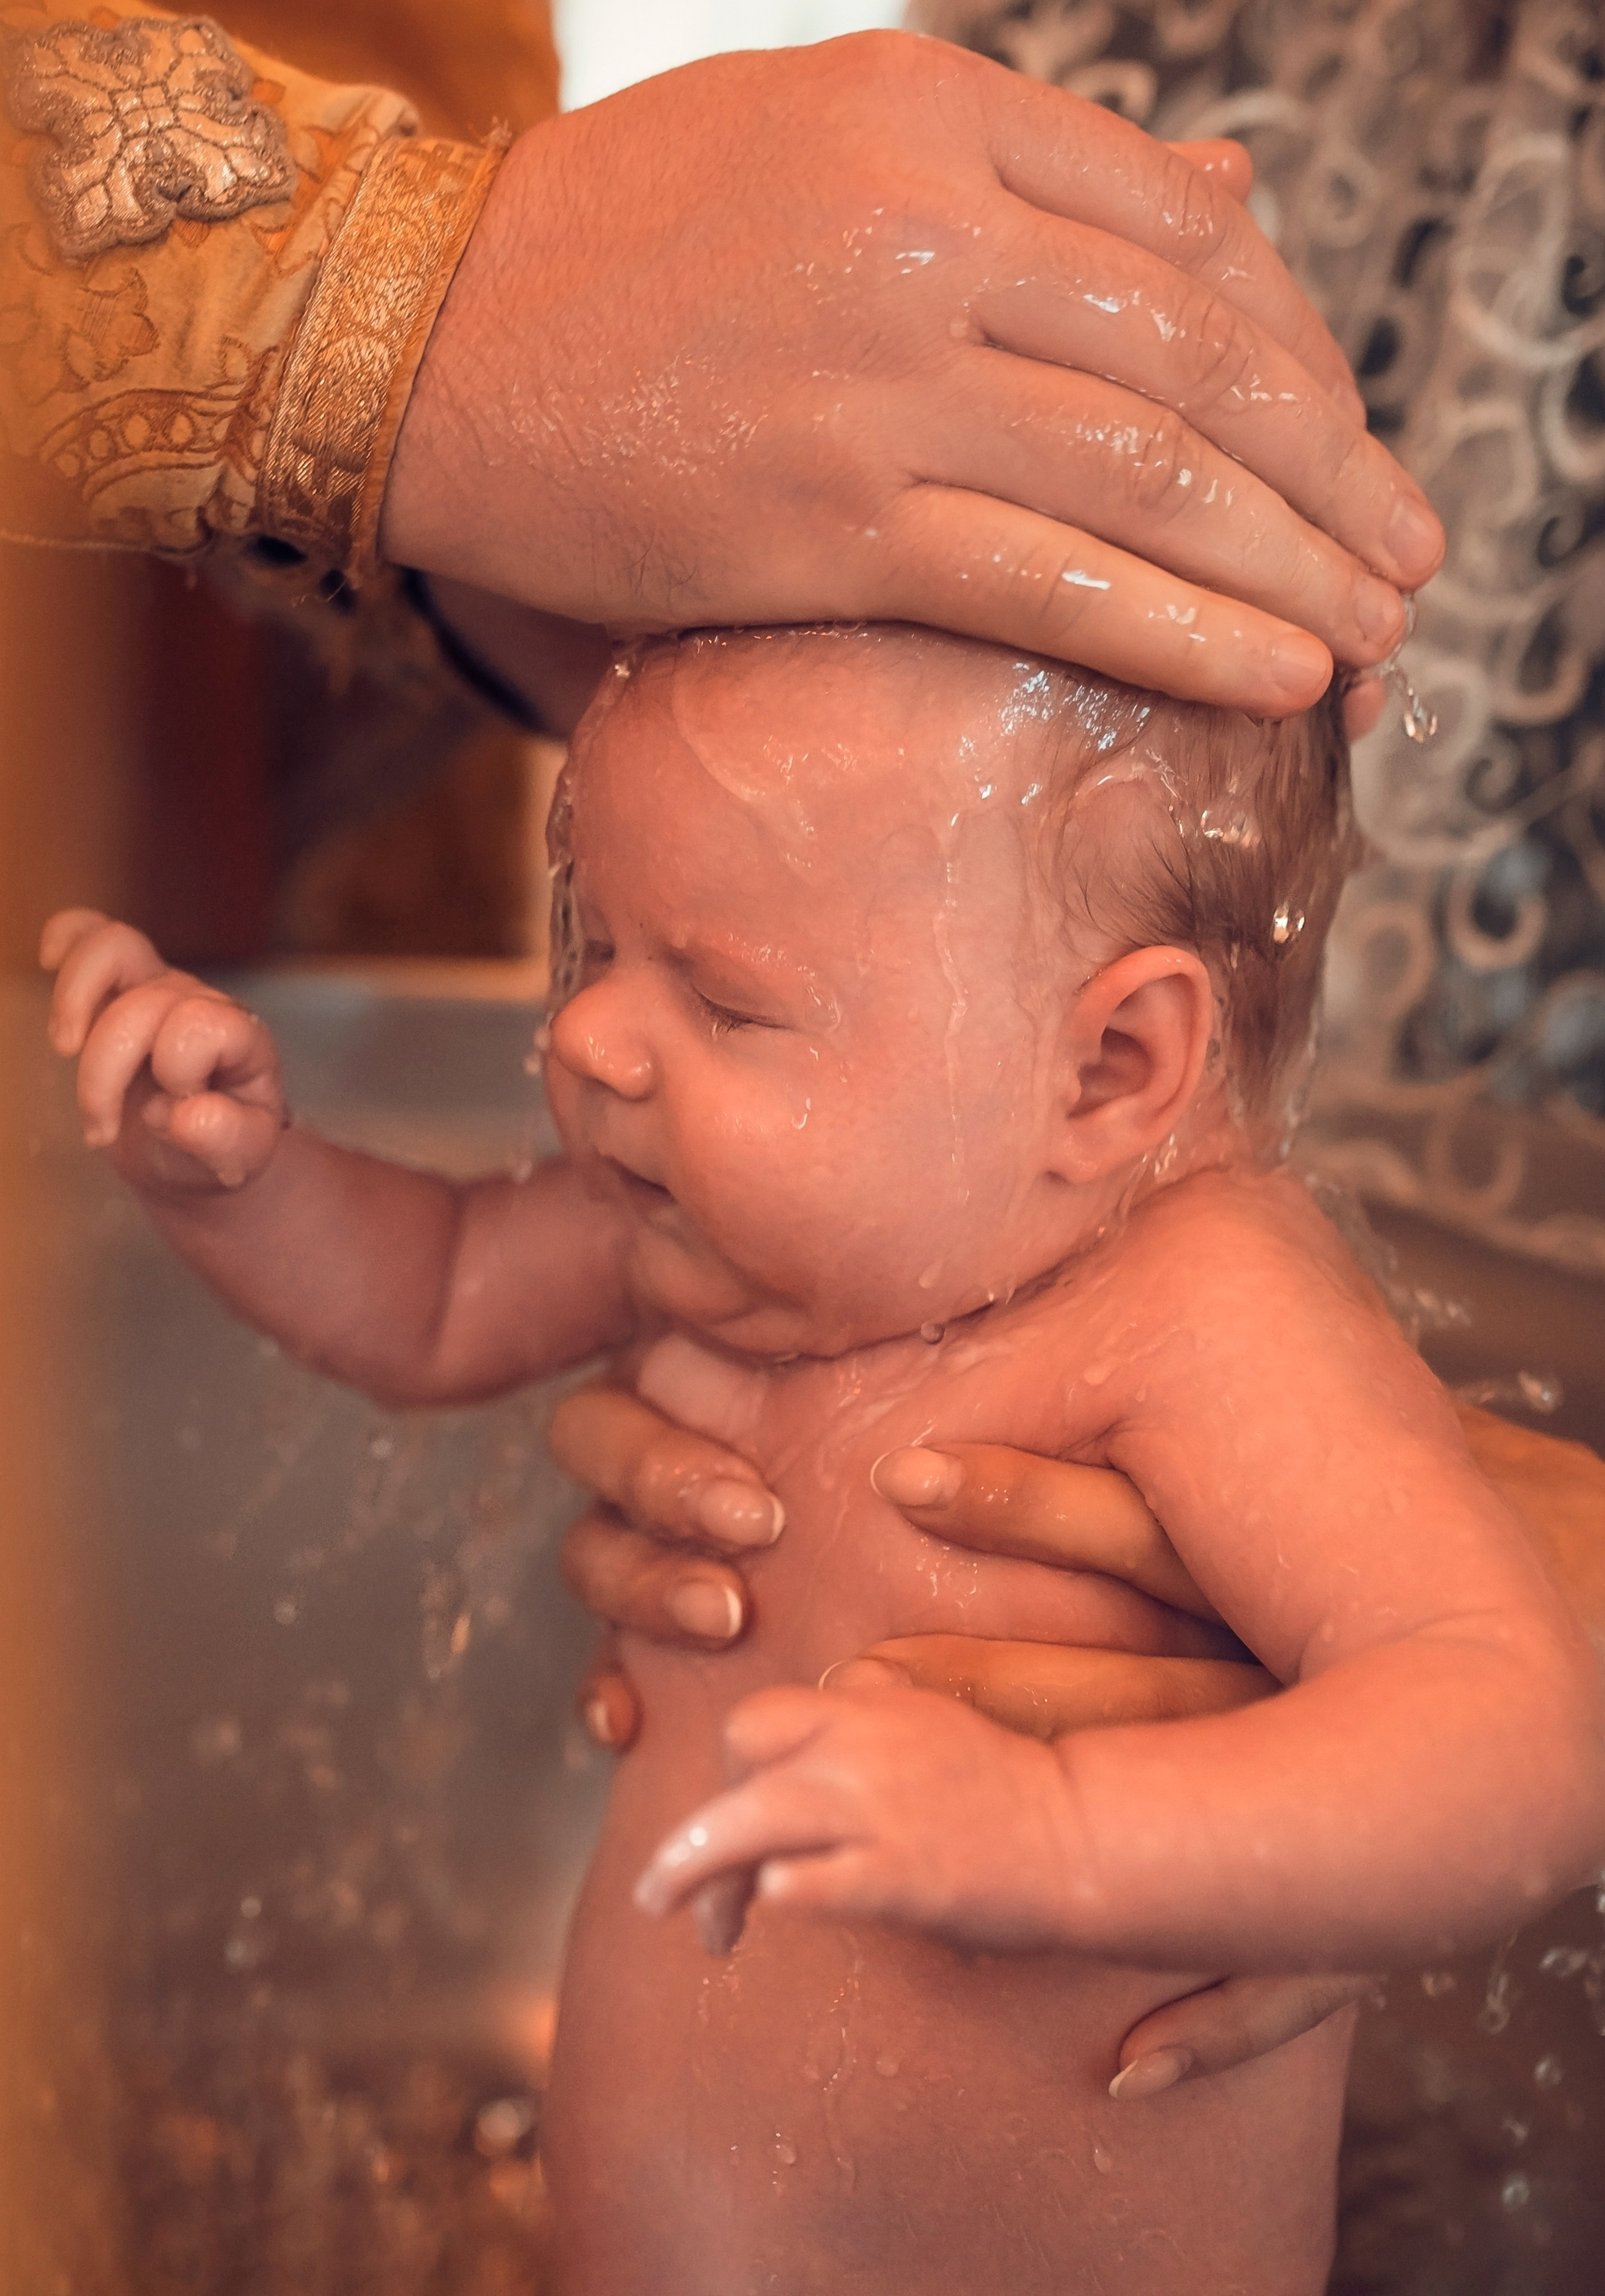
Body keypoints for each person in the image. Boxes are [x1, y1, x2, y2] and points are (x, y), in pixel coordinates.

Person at [37, 621, 1605, 2291]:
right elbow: (428, 1298)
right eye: (599, 943)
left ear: (1110, 1068)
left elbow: (1511, 1733)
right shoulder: (713, 1231)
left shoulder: (1200, 1313)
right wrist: (233, 1178)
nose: (592, 1042)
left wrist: (1056, 1828)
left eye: (720, 996)